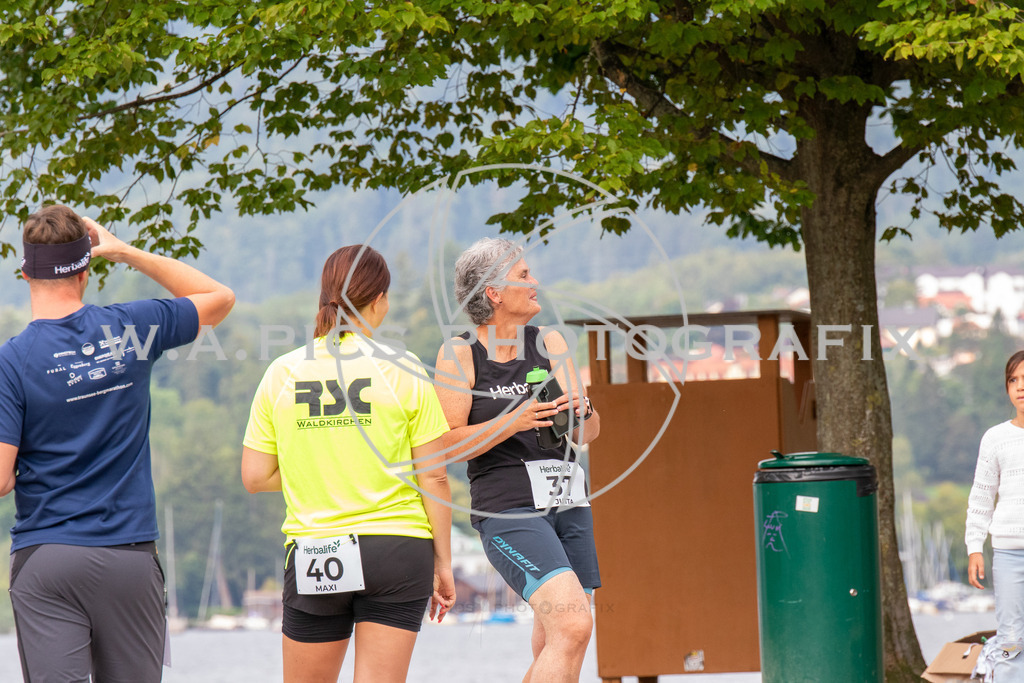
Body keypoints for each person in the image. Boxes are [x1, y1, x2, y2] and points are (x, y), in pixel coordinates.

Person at [0, 204, 235, 681]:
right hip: (128, 559)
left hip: (48, 557)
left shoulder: (12, 360)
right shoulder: (131, 327)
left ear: (25, 273)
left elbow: (1, 480)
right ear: (87, 271)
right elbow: (219, 297)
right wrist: (127, 253)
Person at [241, 244, 455, 683]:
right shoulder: (404, 367)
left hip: (318, 549)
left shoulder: (282, 373)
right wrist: (444, 563)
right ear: (379, 300)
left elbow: (255, 477)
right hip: (397, 548)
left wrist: (315, 468)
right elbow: (433, 474)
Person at [433, 237, 601, 683]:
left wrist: (584, 413)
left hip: (568, 502)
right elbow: (447, 446)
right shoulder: (459, 353)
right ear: (493, 291)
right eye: (524, 276)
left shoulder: (551, 342)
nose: (535, 283)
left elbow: (586, 435)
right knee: (574, 623)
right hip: (508, 509)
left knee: (557, 638)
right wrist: (515, 419)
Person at [967, 349, 1024, 678]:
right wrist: (975, 546)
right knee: (1011, 642)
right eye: (1013, 380)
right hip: (1008, 554)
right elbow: (981, 496)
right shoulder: (995, 439)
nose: (1019, 386)